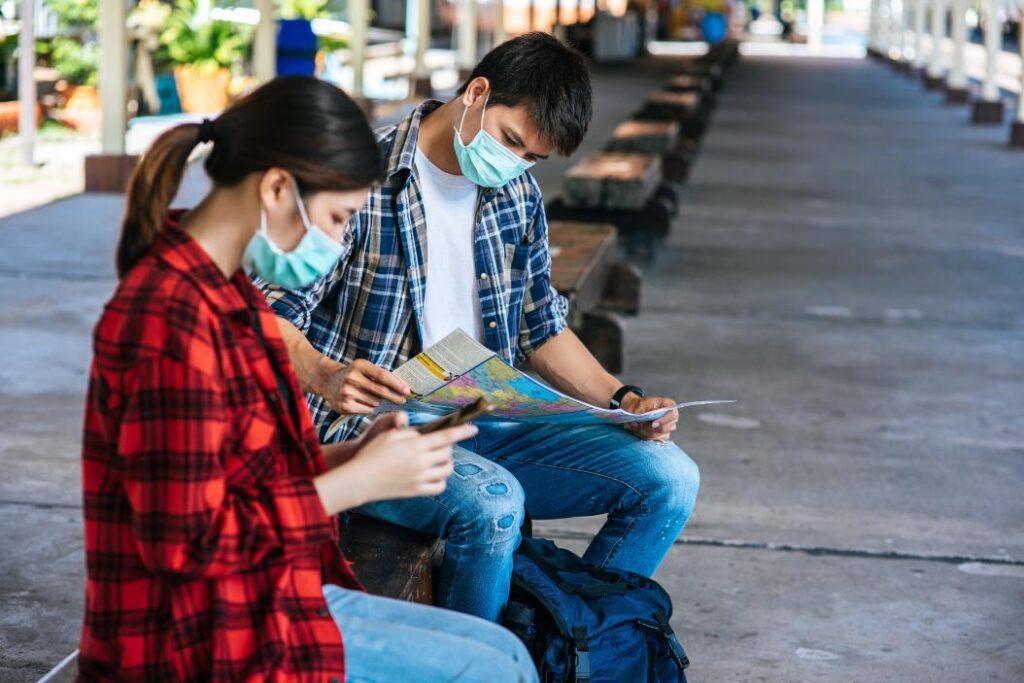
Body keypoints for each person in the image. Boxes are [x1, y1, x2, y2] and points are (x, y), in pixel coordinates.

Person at [78, 75, 537, 682]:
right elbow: (186, 548)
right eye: (338, 217)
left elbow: (237, 474)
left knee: (505, 655)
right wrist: (353, 484)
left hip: (258, 594)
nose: (340, 240)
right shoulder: (171, 319)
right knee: (491, 670)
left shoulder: (225, 292)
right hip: (198, 638)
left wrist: (354, 452)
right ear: (275, 187)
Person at [261, 33, 701, 624]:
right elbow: (267, 315)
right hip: (371, 424)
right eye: (511, 141)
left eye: (533, 159)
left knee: (669, 478)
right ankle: (481, 660)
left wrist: (625, 401)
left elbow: (543, 330)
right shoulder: (358, 178)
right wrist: (327, 373)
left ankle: (578, 641)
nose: (514, 165)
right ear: (476, 92)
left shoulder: (517, 192)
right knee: (494, 505)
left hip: (485, 412)